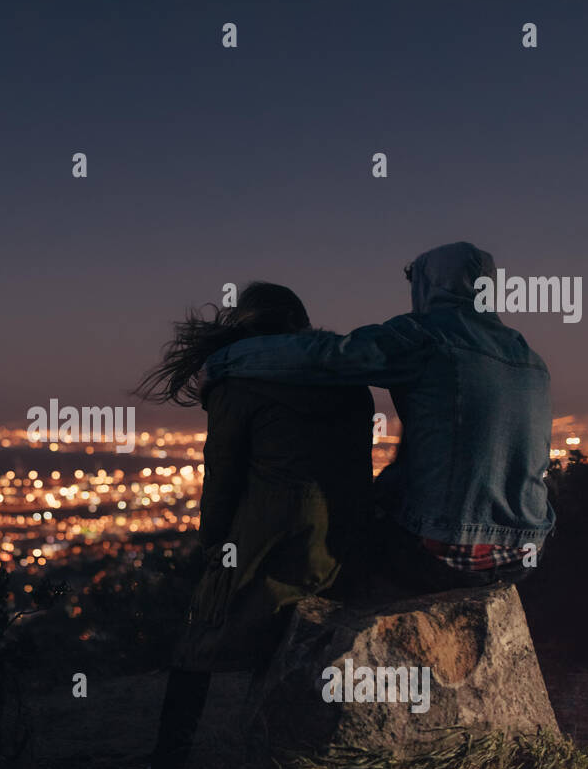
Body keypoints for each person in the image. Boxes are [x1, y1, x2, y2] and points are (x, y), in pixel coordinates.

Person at [202, 242, 556, 595]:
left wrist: (224, 360)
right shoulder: (529, 357)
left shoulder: (425, 335)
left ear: (431, 284)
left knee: (340, 541)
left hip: (447, 549)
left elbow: (326, 358)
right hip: (526, 550)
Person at [134, 283, 373, 769]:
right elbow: (356, 466)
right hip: (339, 533)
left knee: (201, 638)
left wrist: (213, 546)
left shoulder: (235, 384)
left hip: (266, 528)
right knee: (286, 636)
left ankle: (165, 766)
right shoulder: (348, 380)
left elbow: (222, 474)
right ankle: (275, 756)